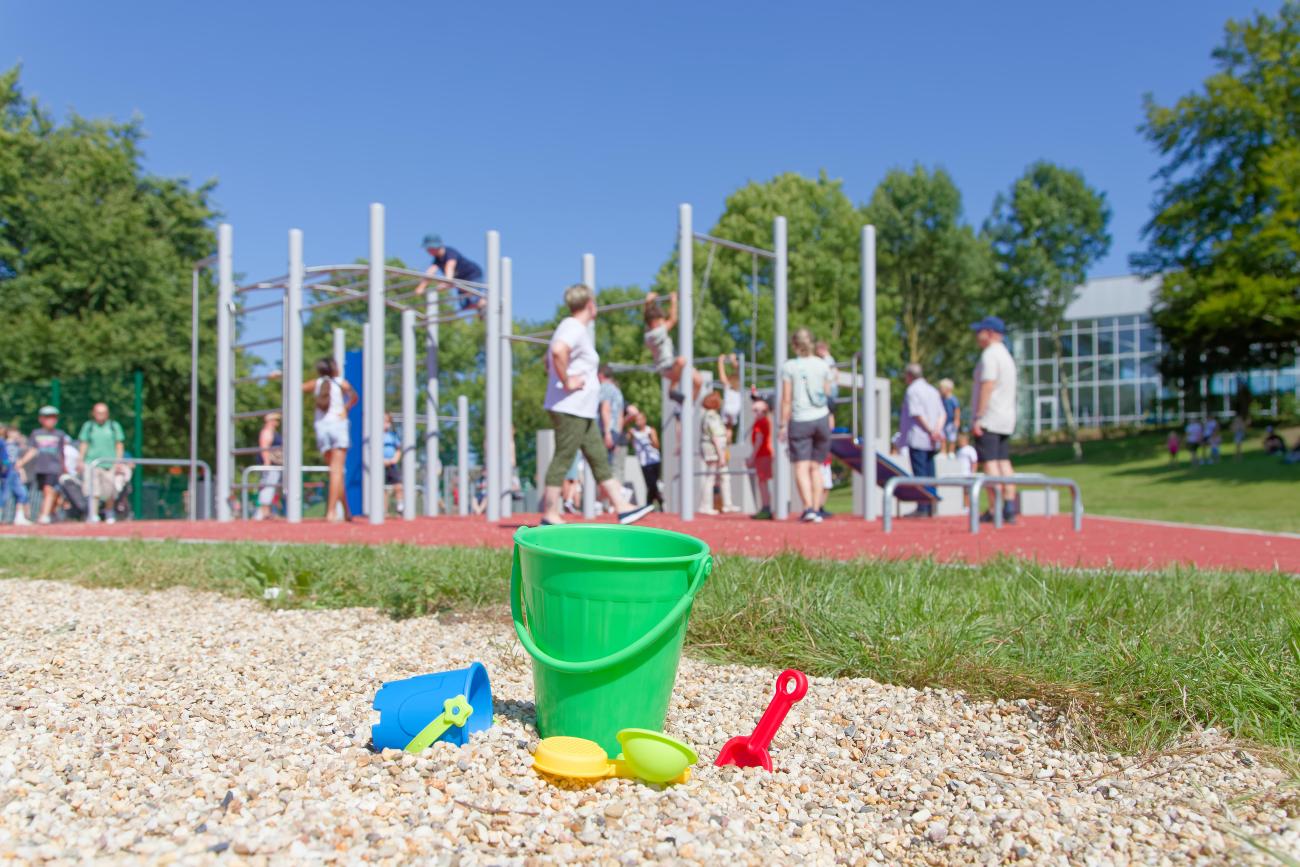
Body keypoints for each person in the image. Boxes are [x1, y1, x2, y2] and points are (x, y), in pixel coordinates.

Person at [539, 284, 653, 526]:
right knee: (564, 456)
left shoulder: (571, 328)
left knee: (598, 458)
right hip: (571, 408)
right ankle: (549, 513)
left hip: (582, 410)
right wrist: (567, 381)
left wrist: (561, 375)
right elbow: (558, 351)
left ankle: (622, 507)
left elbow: (550, 359)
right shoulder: (573, 327)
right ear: (590, 304)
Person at [779, 327, 834, 523]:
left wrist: (782, 424)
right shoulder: (822, 365)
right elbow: (827, 393)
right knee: (816, 467)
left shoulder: (790, 366)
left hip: (800, 419)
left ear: (794, 345)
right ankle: (817, 509)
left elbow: (787, 399)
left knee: (801, 467)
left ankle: (809, 508)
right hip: (821, 418)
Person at [970, 316, 1019, 525]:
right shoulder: (1007, 356)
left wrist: (978, 416)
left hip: (990, 417)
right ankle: (1009, 505)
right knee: (1003, 461)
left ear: (989, 333)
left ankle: (994, 507)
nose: (976, 336)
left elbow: (987, 385)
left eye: (979, 332)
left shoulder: (990, 355)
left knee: (989, 462)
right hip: (1006, 417)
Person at [303, 357, 357, 522]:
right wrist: (346, 408)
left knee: (334, 472)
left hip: (322, 428)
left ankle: (346, 511)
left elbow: (297, 387)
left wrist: (279, 376)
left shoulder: (316, 383)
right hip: (337, 426)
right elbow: (354, 397)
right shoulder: (340, 382)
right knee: (336, 471)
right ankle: (331, 512)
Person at [892, 363, 946, 518]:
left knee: (920, 473)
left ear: (909, 375)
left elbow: (917, 414)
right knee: (930, 473)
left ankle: (923, 506)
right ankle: (931, 506)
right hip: (932, 439)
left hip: (919, 437)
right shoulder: (932, 390)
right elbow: (942, 414)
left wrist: (930, 431)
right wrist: (936, 431)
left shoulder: (912, 390)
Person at [642, 291, 703, 401]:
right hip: (666, 368)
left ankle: (689, 404)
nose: (663, 321)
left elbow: (647, 316)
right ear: (655, 322)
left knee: (699, 381)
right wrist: (674, 301)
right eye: (661, 320)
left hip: (672, 365)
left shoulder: (649, 332)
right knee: (681, 360)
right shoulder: (654, 334)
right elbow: (673, 320)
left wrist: (648, 302)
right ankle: (671, 389)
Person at [15, 406, 70, 524]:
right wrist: (21, 462)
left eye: (53, 417)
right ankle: (50, 513)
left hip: (54, 467)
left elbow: (61, 453)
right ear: (41, 419)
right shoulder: (36, 433)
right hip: (40, 468)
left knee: (48, 490)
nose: (51, 420)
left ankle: (44, 515)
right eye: (48, 417)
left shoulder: (59, 434)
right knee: (47, 492)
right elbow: (33, 450)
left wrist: (64, 468)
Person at [76, 402, 125, 522]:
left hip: (109, 463)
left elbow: (119, 444)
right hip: (92, 463)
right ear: (93, 413)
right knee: (93, 490)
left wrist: (118, 461)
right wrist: (80, 460)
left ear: (107, 414)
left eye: (103, 413)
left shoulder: (113, 426)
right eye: (98, 413)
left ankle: (109, 511)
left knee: (110, 490)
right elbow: (84, 443)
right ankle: (93, 514)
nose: (100, 415)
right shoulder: (89, 426)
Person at [414, 234, 485, 311]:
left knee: (473, 296)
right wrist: (421, 287)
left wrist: (447, 281)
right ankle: (482, 309)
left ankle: (485, 304)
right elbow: (430, 272)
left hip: (472, 275)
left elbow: (450, 266)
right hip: (460, 280)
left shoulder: (450, 253)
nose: (428, 251)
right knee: (466, 305)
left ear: (436, 246)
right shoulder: (437, 259)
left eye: (430, 248)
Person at [597, 366, 628, 509]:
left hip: (605, 430)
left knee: (601, 466)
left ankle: (619, 493)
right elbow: (620, 416)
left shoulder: (604, 388)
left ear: (601, 375)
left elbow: (605, 409)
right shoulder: (617, 391)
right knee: (607, 465)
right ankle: (612, 499)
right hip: (615, 431)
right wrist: (616, 435)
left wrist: (607, 432)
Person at [697, 392, 731, 515]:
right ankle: (706, 506)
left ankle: (727, 504)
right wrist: (721, 456)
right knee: (711, 477)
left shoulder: (708, 416)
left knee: (723, 476)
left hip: (714, 449)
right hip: (714, 450)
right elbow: (716, 437)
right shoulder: (712, 417)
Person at [748, 399, 775, 520]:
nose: (754, 413)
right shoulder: (765, 421)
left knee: (762, 482)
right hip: (764, 454)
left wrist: (752, 457)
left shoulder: (760, 422)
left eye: (756, 410)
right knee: (763, 481)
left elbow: (759, 440)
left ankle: (766, 507)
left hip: (762, 455)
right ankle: (766, 507)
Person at [0, 425, 31, 525]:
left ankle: (19, 517)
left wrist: (21, 471)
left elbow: (16, 459)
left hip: (13, 471)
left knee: (22, 494)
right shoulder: (3, 443)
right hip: (6, 472)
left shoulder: (15, 444)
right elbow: (4, 458)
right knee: (4, 495)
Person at [255, 412, 283, 521]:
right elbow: (264, 448)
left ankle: (268, 511)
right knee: (268, 486)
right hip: (270, 464)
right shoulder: (267, 432)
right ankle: (264, 511)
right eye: (276, 420)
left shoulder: (273, 432)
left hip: (275, 464)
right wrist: (267, 463)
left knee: (272, 487)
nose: (277, 422)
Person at [381, 412, 403, 515]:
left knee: (398, 485)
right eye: (383, 421)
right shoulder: (376, 435)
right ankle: (384, 510)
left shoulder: (392, 436)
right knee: (383, 489)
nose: (385, 424)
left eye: (387, 422)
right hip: (380, 465)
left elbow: (398, 449)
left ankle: (400, 507)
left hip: (392, 464)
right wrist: (381, 460)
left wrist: (395, 459)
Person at [955, 431, 979, 511]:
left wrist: (973, 473)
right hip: (960, 474)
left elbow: (974, 461)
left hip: (967, 474)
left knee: (967, 491)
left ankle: (969, 507)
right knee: (961, 491)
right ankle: (965, 506)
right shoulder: (959, 451)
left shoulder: (970, 449)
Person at [938, 379, 961, 458]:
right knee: (942, 437)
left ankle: (951, 451)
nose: (940, 390)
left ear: (948, 389)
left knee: (952, 437)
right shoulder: (941, 399)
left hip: (951, 421)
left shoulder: (953, 399)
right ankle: (943, 451)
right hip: (943, 421)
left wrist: (957, 420)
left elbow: (957, 410)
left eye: (942, 388)